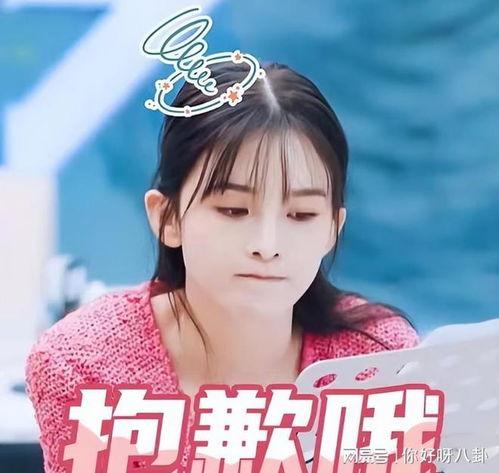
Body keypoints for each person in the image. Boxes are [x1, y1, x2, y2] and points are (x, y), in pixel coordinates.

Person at [25, 61, 419, 472]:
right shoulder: (83, 364)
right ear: (167, 217)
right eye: (233, 209)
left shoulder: (381, 358)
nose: (267, 246)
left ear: (333, 229)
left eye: (301, 215)